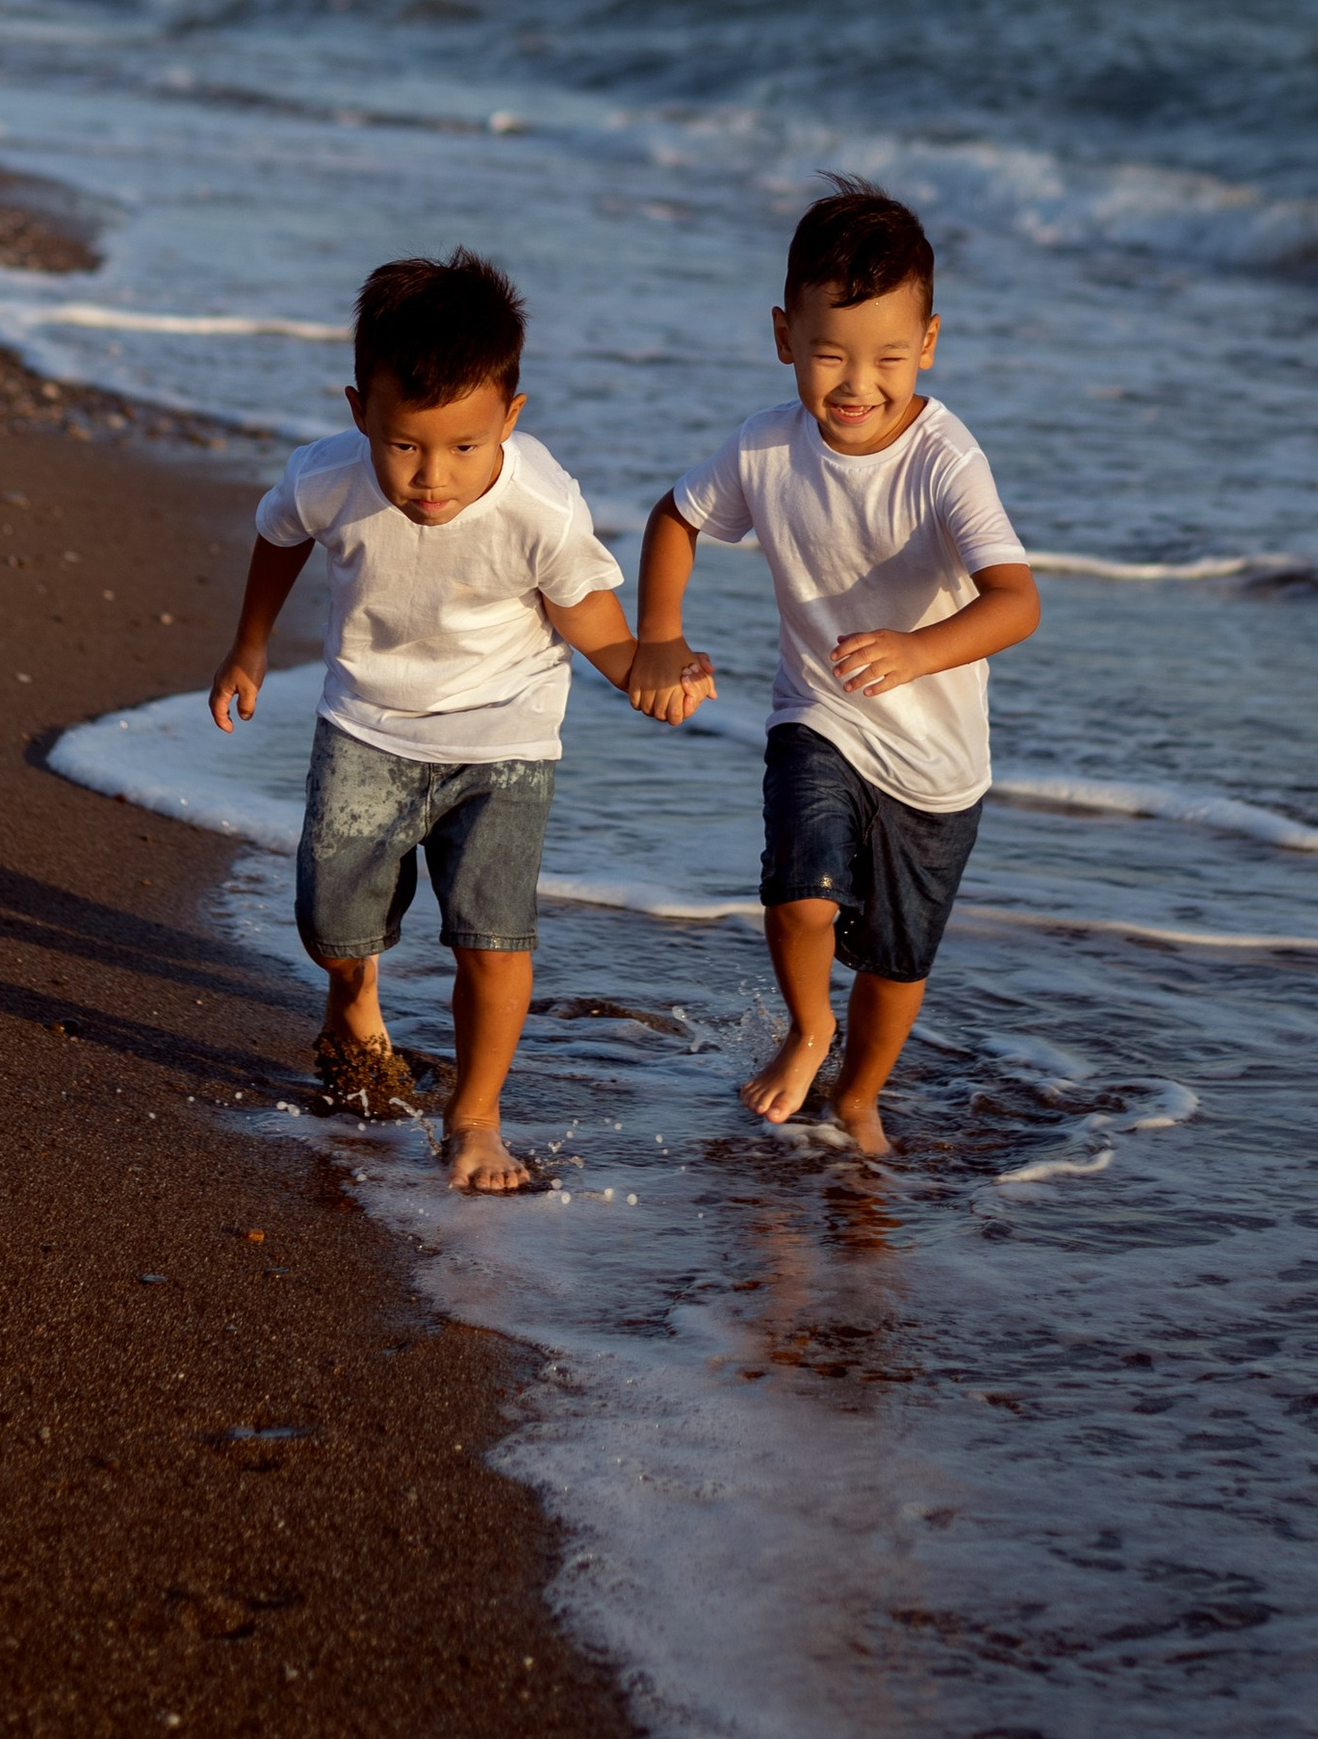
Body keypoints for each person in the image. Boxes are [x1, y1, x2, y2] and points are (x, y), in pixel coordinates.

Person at [210, 248, 699, 1192]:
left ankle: (475, 1119)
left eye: (465, 447)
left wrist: (644, 670)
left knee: (493, 936)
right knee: (330, 924)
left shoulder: (542, 508)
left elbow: (589, 616)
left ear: (510, 420)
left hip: (505, 739)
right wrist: (250, 645)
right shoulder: (328, 479)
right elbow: (279, 537)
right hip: (367, 725)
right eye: (405, 445)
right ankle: (354, 1004)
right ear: (360, 413)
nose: (432, 478)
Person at [628, 180, 1039, 1156]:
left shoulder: (945, 460)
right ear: (783, 335)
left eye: (889, 358)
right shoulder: (765, 445)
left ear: (928, 344)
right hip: (818, 714)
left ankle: (860, 1094)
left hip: (937, 763)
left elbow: (1017, 602)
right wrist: (659, 635)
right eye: (829, 354)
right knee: (798, 889)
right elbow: (675, 518)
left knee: (898, 960)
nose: (857, 383)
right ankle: (809, 1027)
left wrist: (915, 650)